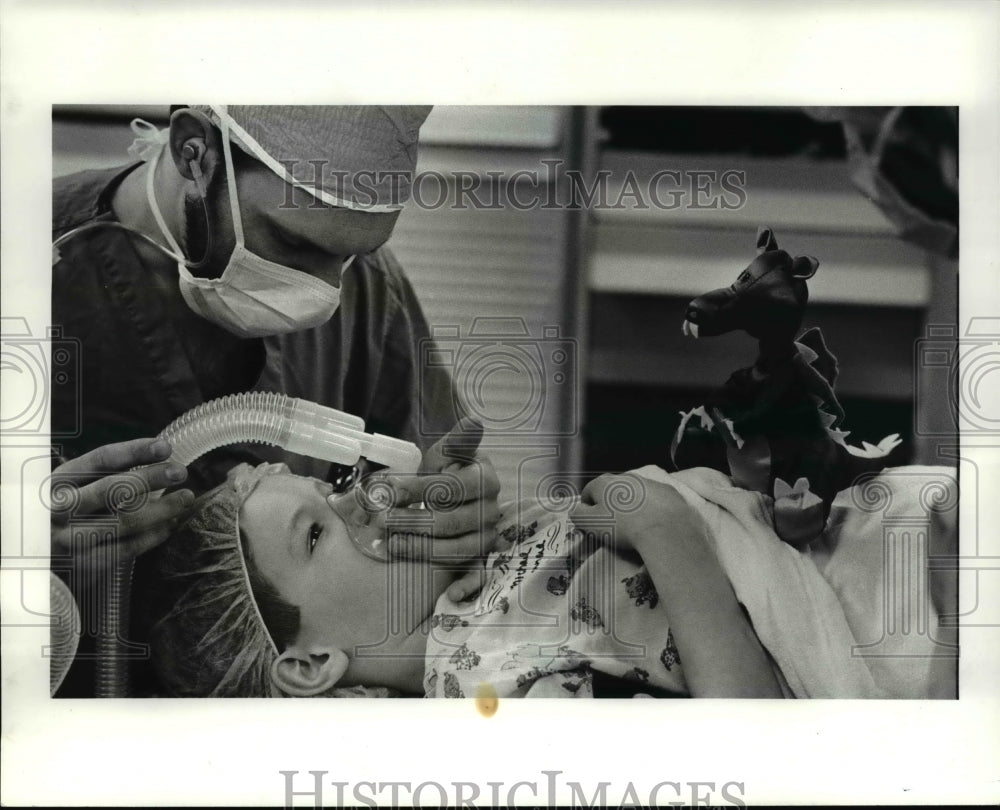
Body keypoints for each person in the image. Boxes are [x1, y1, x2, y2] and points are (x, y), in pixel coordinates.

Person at [51, 105, 500, 695]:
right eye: (291, 241)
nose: (320, 294)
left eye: (349, 258)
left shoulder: (367, 290)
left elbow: (429, 471)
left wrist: (464, 512)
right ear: (195, 151)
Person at [147, 460, 840, 699]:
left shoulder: (474, 590)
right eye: (318, 532)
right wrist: (668, 530)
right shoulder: (490, 700)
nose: (358, 501)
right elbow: (752, 762)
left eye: (332, 486)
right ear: (309, 665)